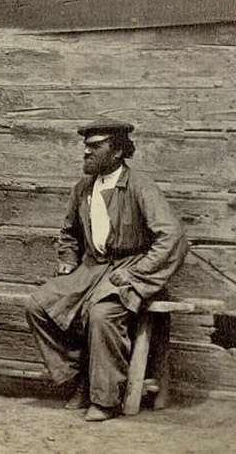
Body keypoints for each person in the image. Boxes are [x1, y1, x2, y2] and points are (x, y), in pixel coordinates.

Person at [25, 120, 188, 422]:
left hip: (128, 268)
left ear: (116, 152)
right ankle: (80, 379)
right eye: (85, 146)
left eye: (95, 146)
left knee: (101, 315)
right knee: (38, 305)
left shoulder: (139, 186)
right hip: (91, 267)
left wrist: (139, 272)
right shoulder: (83, 188)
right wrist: (67, 259)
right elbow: (69, 233)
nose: (86, 152)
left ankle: (105, 397)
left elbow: (172, 237)